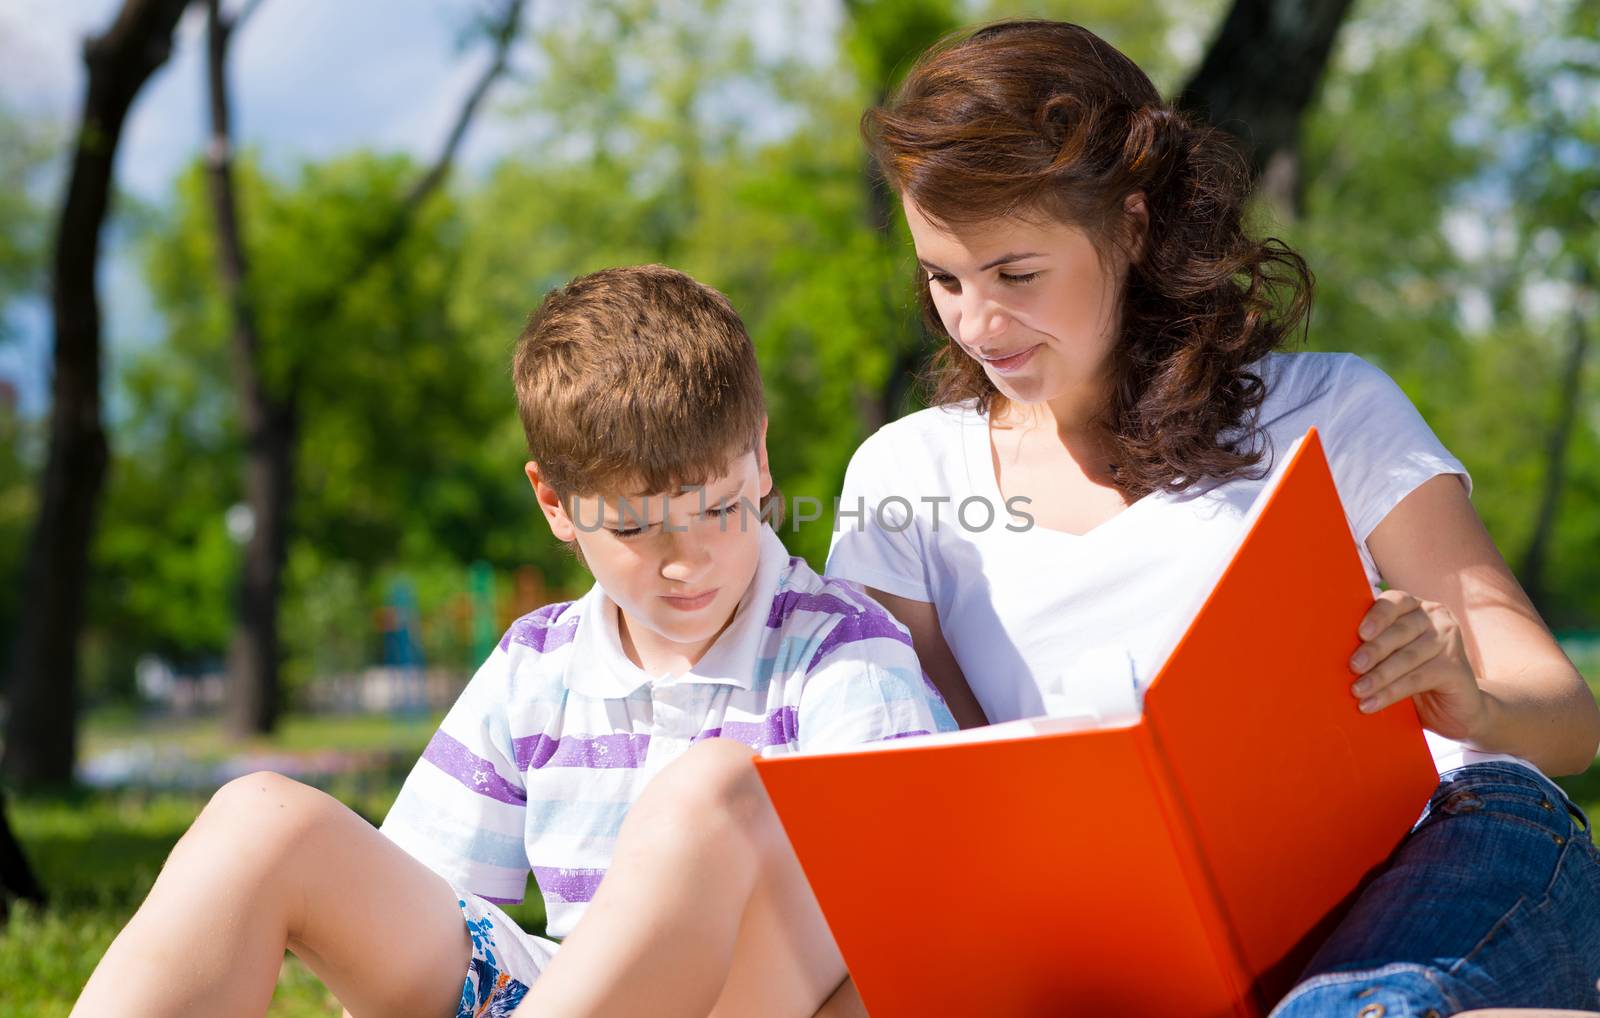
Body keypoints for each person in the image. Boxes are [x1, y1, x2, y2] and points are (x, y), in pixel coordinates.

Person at [825, 19, 1600, 1017]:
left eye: (1016, 274)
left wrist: (1471, 699)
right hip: (1160, 948)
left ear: (1133, 226)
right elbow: (932, 803)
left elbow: (1567, 715)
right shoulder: (904, 476)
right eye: (943, 278)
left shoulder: (1328, 407)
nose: (976, 324)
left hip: (1448, 847)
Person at [72, 265, 953, 1018]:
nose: (688, 563)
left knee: (717, 785)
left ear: (760, 459)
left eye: (719, 510)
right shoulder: (540, 662)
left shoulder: (844, 654)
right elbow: (422, 901)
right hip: (561, 993)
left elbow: (908, 940)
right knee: (259, 817)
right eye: (637, 530)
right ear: (555, 505)